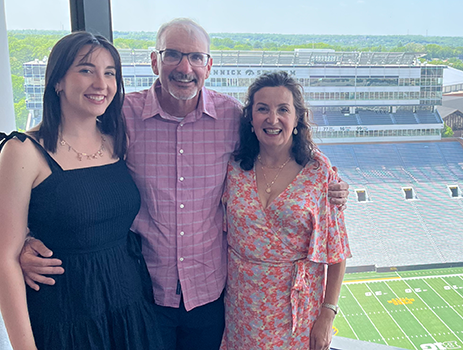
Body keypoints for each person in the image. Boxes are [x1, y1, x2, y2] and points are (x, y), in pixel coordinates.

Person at [19, 18, 350, 350]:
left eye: (195, 57)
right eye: (173, 54)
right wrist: (27, 237)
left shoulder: (232, 117)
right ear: (154, 61)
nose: (184, 67)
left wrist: (330, 181)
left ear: (208, 66)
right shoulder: (120, 115)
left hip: (211, 294)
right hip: (141, 292)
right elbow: (74, 163)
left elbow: (280, 136)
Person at [0, 32, 162, 349]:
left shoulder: (117, 140)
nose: (101, 84)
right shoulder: (22, 151)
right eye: (86, 70)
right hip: (66, 322)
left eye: (110, 73)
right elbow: (4, 257)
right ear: (58, 80)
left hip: (129, 313)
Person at [221, 71, 350, 350]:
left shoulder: (319, 172)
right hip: (241, 310)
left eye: (283, 109)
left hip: (297, 314)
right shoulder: (233, 167)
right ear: (250, 118)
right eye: (262, 109)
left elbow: (337, 251)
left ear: (297, 118)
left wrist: (327, 313)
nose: (272, 118)